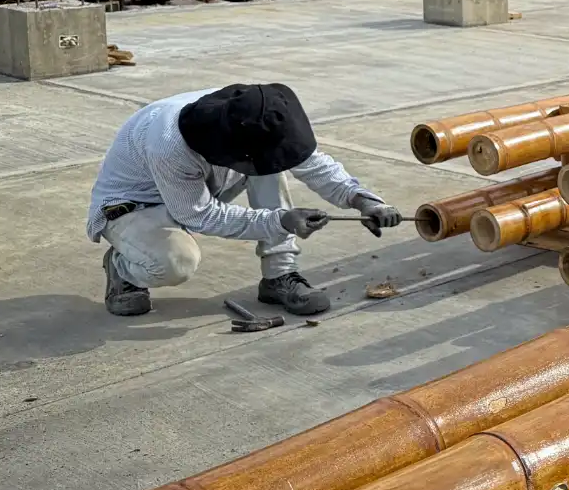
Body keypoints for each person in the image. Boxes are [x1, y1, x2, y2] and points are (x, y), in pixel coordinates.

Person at [88, 83, 399, 318]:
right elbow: (203, 216)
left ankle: (280, 274)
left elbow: (312, 163)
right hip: (133, 207)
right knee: (177, 262)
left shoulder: (247, 114)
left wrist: (363, 200)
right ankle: (122, 268)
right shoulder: (168, 145)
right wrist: (280, 220)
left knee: (271, 161)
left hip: (195, 188)